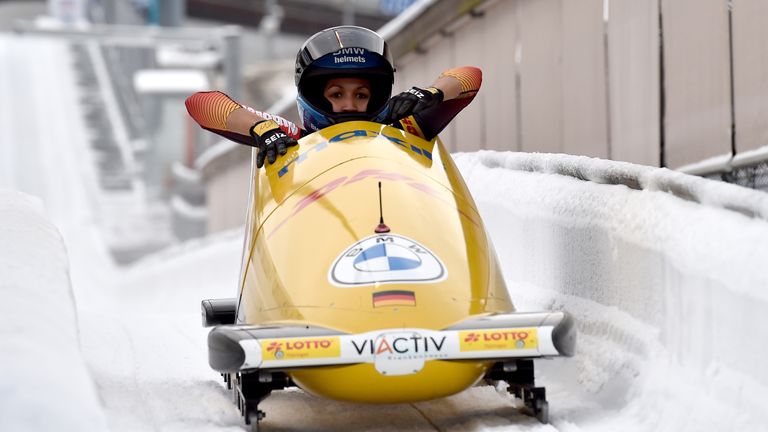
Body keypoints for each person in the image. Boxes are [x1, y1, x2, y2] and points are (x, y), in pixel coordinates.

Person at [185, 25, 482, 168]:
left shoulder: (406, 126)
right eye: (337, 94)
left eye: (362, 94)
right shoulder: (291, 140)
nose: (349, 104)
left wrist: (430, 93)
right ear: (315, 96)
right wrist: (262, 129)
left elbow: (470, 75)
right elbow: (201, 103)